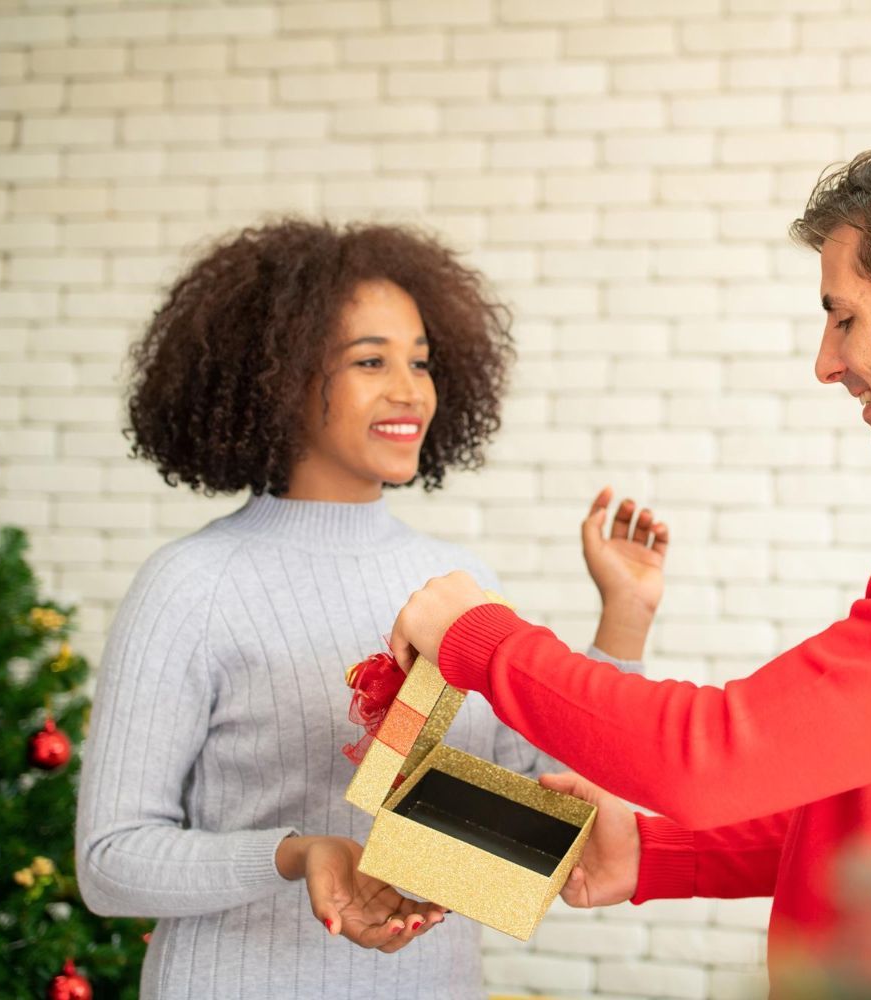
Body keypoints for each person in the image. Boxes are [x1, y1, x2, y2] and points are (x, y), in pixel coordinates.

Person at [376, 131, 871, 998]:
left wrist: (478, 638)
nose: (827, 363)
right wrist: (656, 853)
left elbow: (710, 757)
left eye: (844, 318)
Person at [74, 219, 668, 999]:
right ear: (278, 378)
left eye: (420, 361)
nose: (410, 391)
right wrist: (297, 854)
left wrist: (624, 617)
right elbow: (109, 863)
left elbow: (547, 803)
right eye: (370, 361)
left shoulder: (458, 582)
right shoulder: (190, 585)